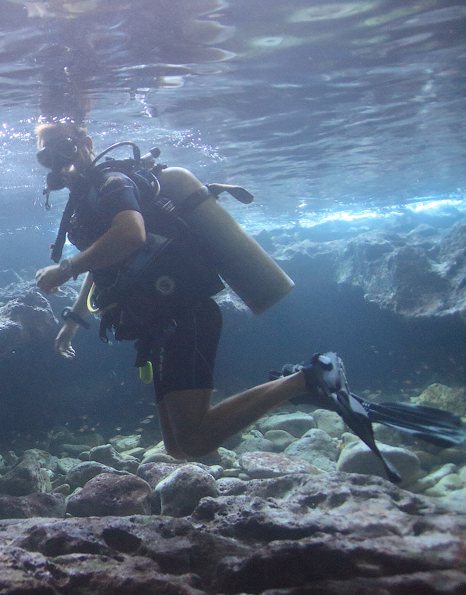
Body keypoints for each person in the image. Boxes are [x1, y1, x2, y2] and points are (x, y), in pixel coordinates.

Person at [33, 121, 311, 459]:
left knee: (192, 440)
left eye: (64, 147)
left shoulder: (112, 183)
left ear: (87, 143)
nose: (58, 161)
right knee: (179, 446)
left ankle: (308, 381)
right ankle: (299, 382)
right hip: (162, 322)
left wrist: (65, 269)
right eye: (46, 156)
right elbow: (107, 262)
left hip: (184, 315)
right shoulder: (88, 196)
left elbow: (130, 235)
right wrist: (74, 321)